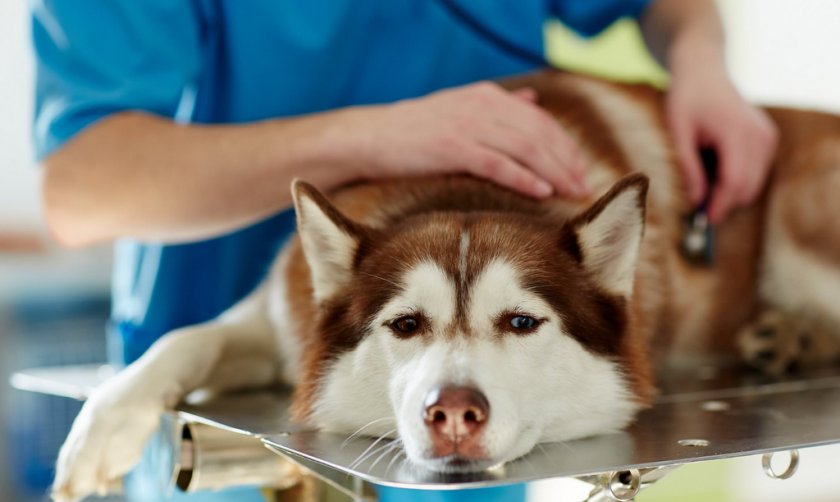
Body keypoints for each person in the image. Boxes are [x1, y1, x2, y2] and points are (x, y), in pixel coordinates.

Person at [32, 1, 777, 501]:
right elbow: (80, 187)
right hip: (240, 406)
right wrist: (370, 137)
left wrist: (703, 63)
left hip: (475, 428)